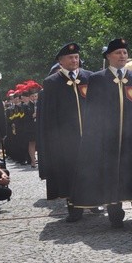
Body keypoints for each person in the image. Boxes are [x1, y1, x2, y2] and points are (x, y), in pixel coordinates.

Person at [69, 38, 132, 227]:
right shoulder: (97, 79)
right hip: (108, 139)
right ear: (108, 56)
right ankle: (115, 215)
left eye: (125, 52)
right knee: (112, 175)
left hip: (131, 138)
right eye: (118, 53)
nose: (122, 56)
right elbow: (92, 110)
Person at [38, 43, 92, 222]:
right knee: (71, 172)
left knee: (90, 169)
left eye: (76, 57)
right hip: (66, 139)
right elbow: (49, 115)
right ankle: (74, 206)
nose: (74, 60)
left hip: (89, 135)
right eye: (70, 58)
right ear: (61, 61)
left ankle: (93, 201)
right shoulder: (52, 82)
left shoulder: (89, 77)